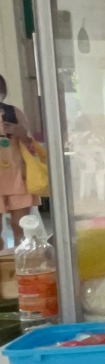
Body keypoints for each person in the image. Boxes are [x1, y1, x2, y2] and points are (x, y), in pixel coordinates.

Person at [0, 75, 39, 248]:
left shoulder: (12, 113)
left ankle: (22, 267)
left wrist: (20, 133)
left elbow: (31, 145)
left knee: (21, 228)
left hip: (18, 177)